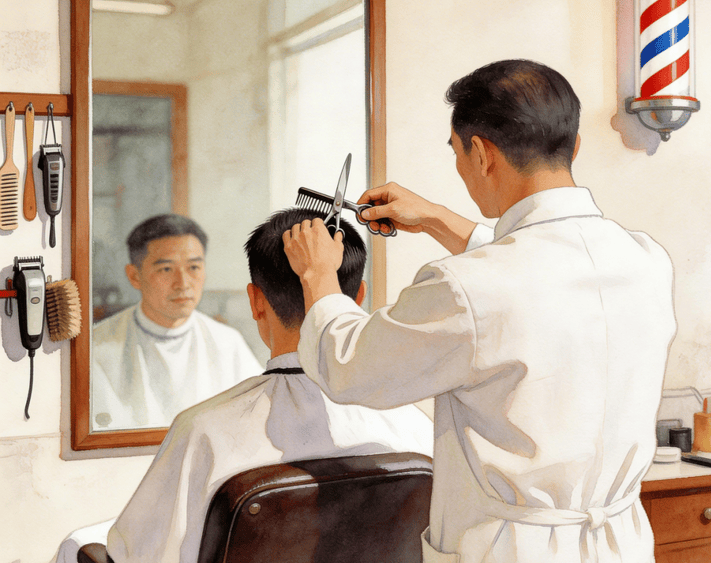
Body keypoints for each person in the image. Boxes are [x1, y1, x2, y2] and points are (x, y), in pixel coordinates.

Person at [283, 60, 676, 563]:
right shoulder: (645, 259)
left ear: (482, 154)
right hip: (622, 543)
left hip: (514, 549)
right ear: (574, 146)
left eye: (456, 151)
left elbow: (347, 368)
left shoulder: (465, 287)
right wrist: (437, 219)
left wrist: (318, 276)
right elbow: (535, 274)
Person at [53, 208, 433, 563]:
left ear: (256, 302)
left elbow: (138, 554)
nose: (182, 282)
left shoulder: (204, 433)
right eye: (166, 268)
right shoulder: (414, 426)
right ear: (358, 297)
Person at [91, 214, 263, 429]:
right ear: (134, 276)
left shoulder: (228, 344)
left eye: (194, 267)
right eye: (166, 269)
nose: (183, 283)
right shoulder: (96, 346)